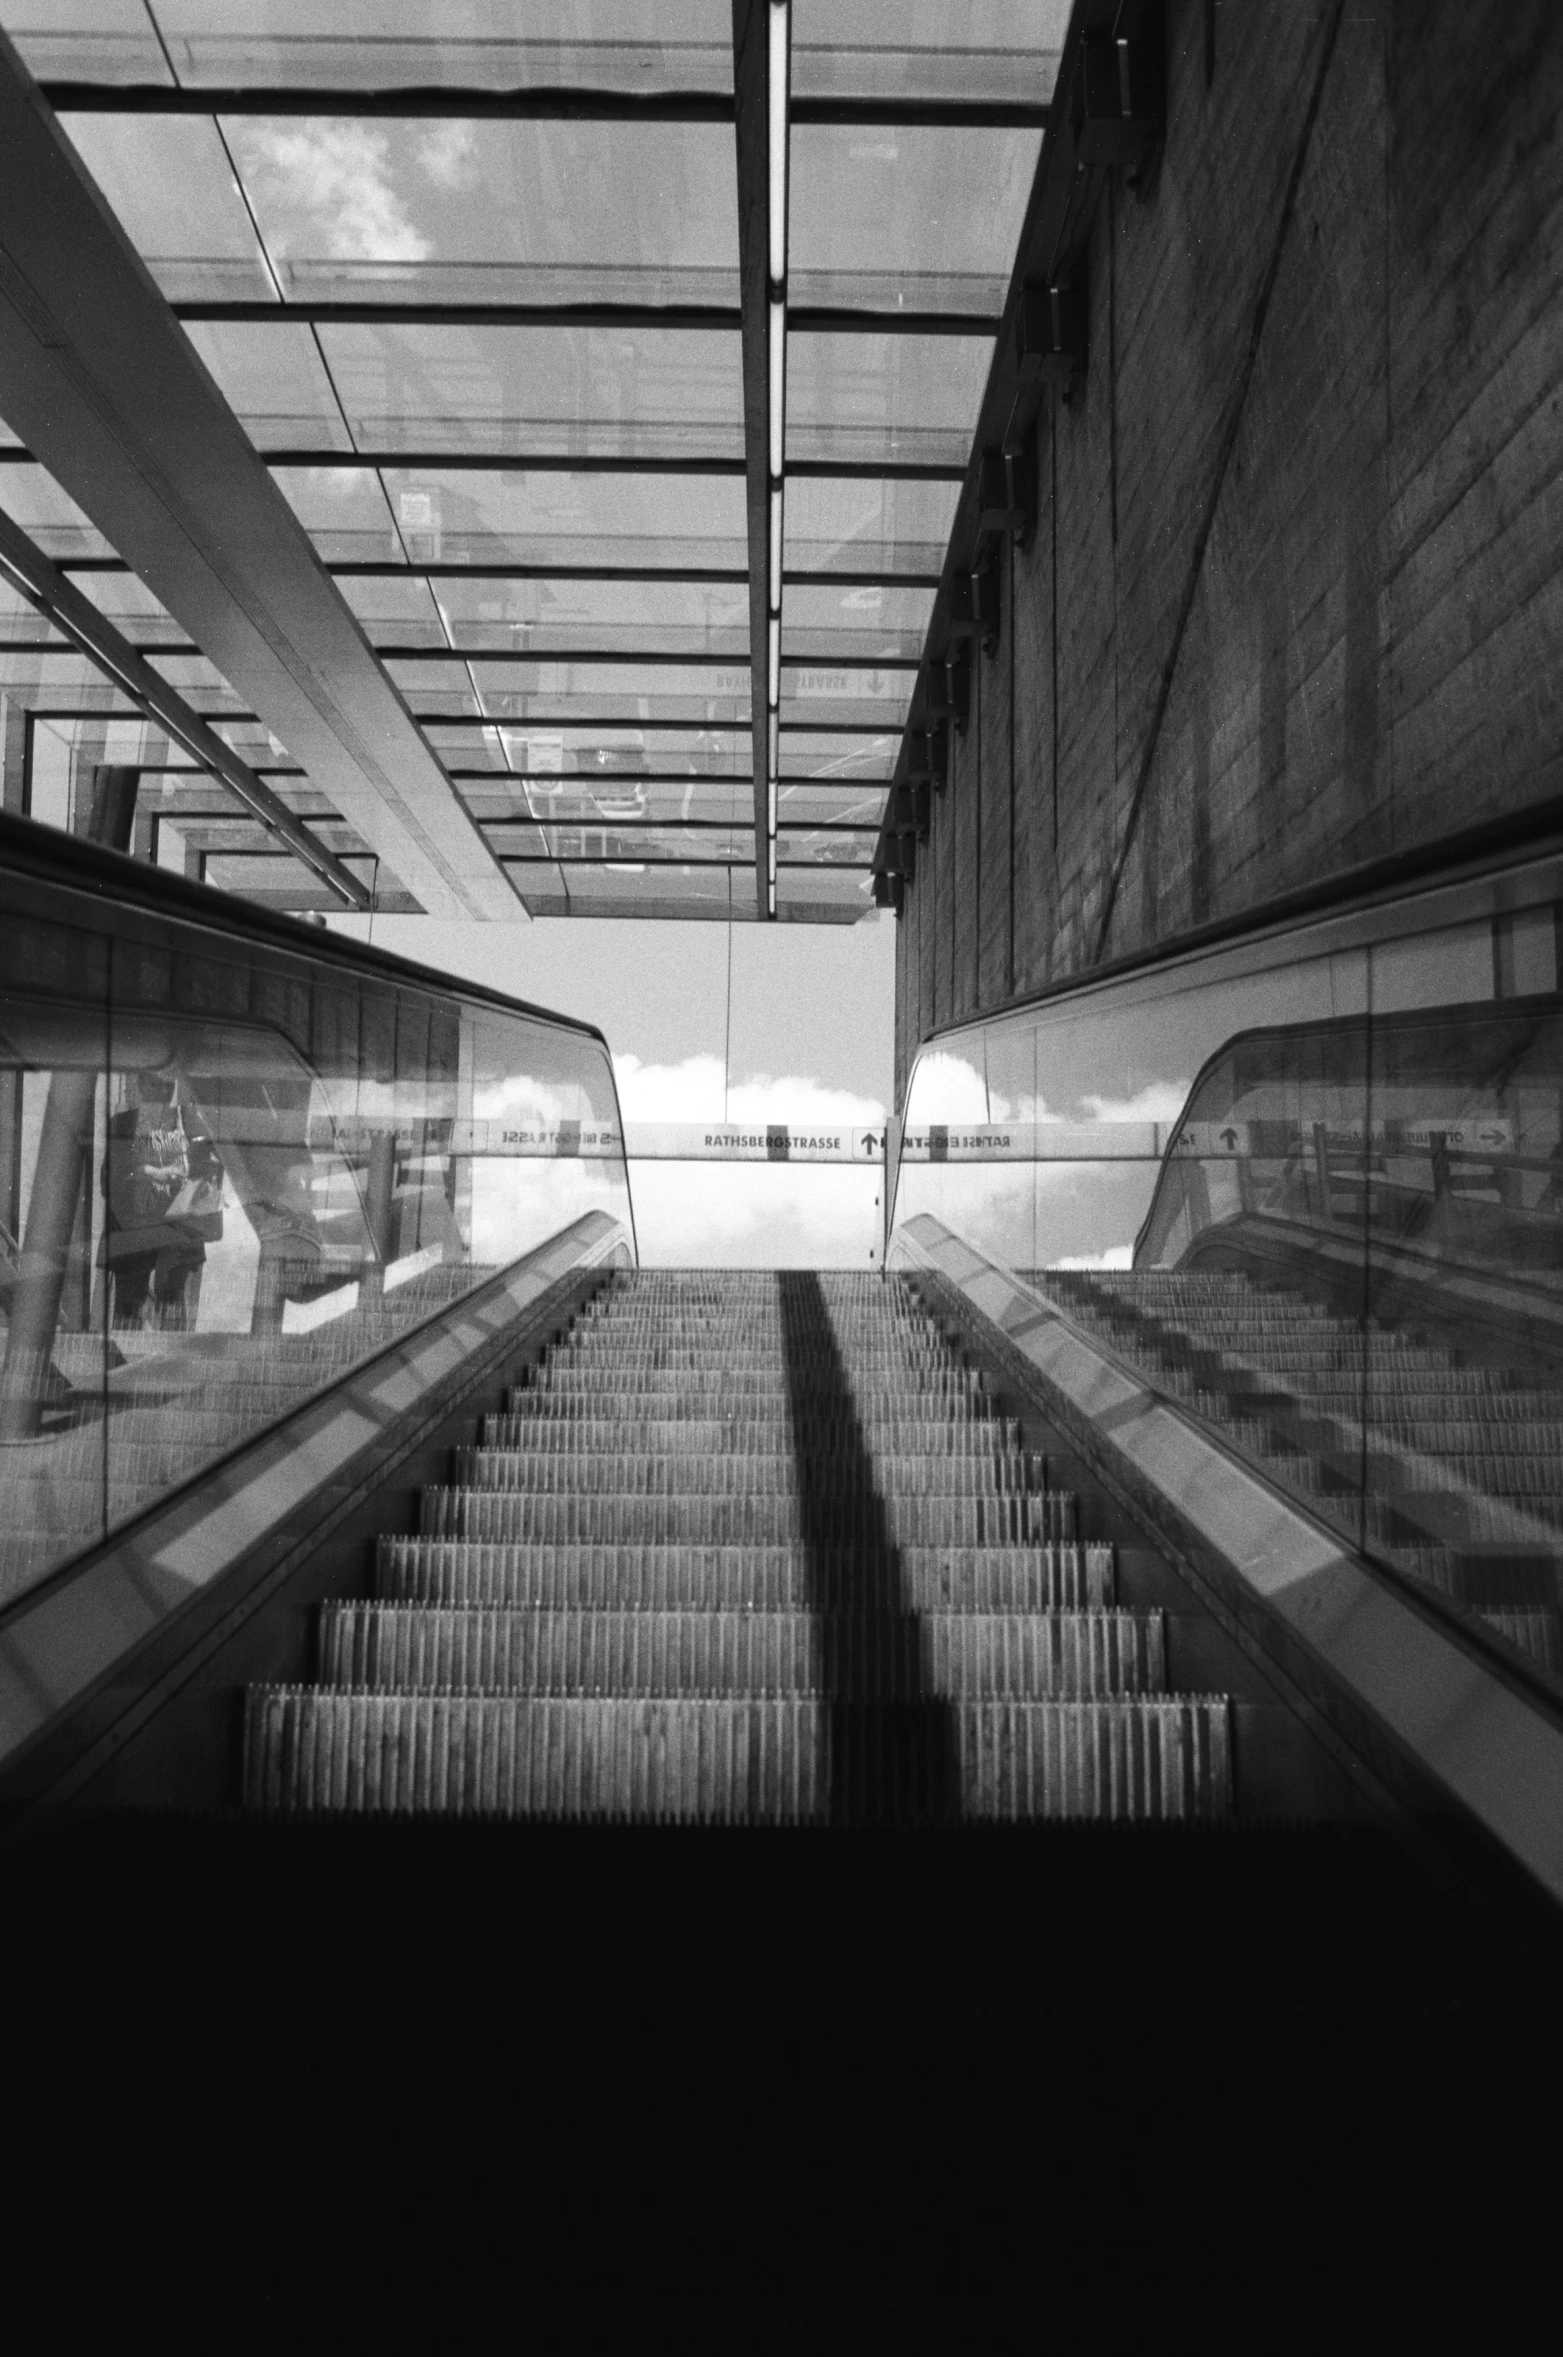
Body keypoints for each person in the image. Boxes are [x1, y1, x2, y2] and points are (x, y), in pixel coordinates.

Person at [102, 1071, 224, 1331]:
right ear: (141, 1086)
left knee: (171, 1296)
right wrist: (150, 1173)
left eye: (169, 1086)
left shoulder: (189, 1122)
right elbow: (108, 1180)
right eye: (156, 1085)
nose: (163, 1093)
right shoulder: (122, 1124)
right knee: (129, 1302)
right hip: (134, 1226)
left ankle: (172, 1363)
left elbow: (210, 1168)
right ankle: (120, 1364)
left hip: (178, 1226)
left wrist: (193, 1183)